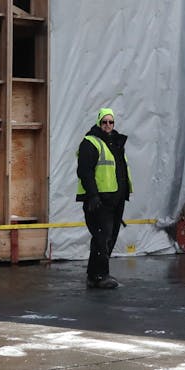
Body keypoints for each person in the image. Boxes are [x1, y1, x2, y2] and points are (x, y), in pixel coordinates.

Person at [77, 107, 131, 291]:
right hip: (99, 200)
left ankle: (95, 275)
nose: (108, 125)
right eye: (104, 122)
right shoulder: (90, 142)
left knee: (109, 237)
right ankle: (100, 275)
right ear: (99, 122)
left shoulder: (115, 143)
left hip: (115, 199)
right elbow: (85, 171)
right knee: (102, 237)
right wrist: (92, 195)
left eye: (111, 122)